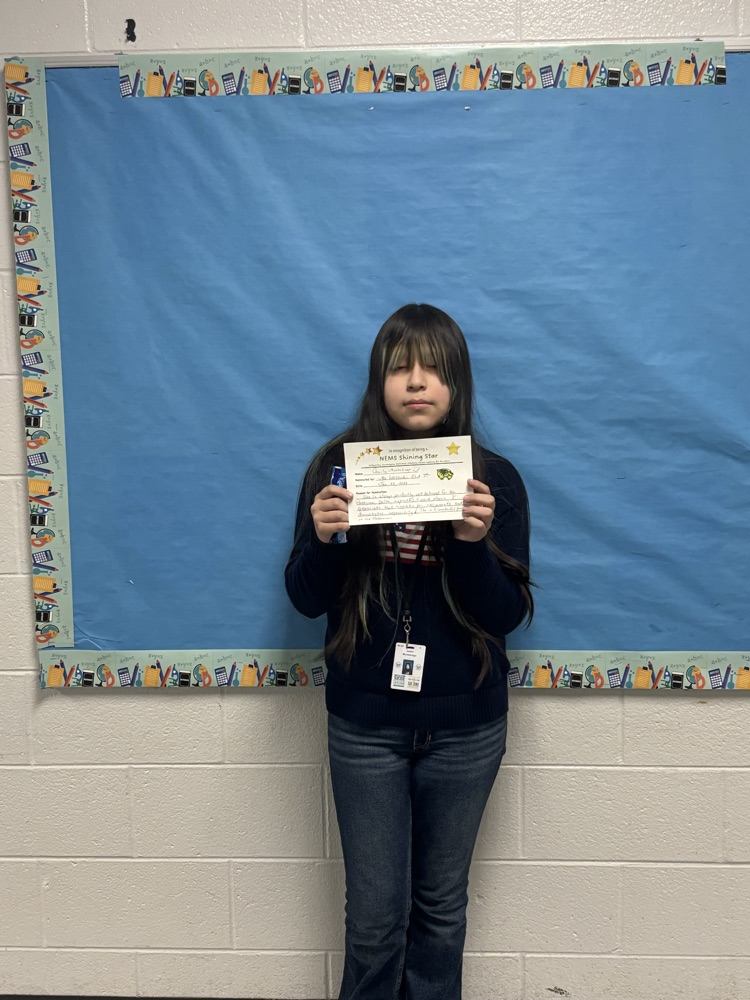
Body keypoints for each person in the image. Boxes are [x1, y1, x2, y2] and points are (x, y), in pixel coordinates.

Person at [285, 303, 533, 1000]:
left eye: (434, 368)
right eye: (400, 367)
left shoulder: (493, 481)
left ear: (458, 384)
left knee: (440, 914)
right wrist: (326, 539)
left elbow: (506, 613)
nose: (416, 382)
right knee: (372, 920)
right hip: (365, 726)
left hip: (467, 727)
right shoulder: (336, 471)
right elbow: (305, 598)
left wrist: (472, 545)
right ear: (379, 381)